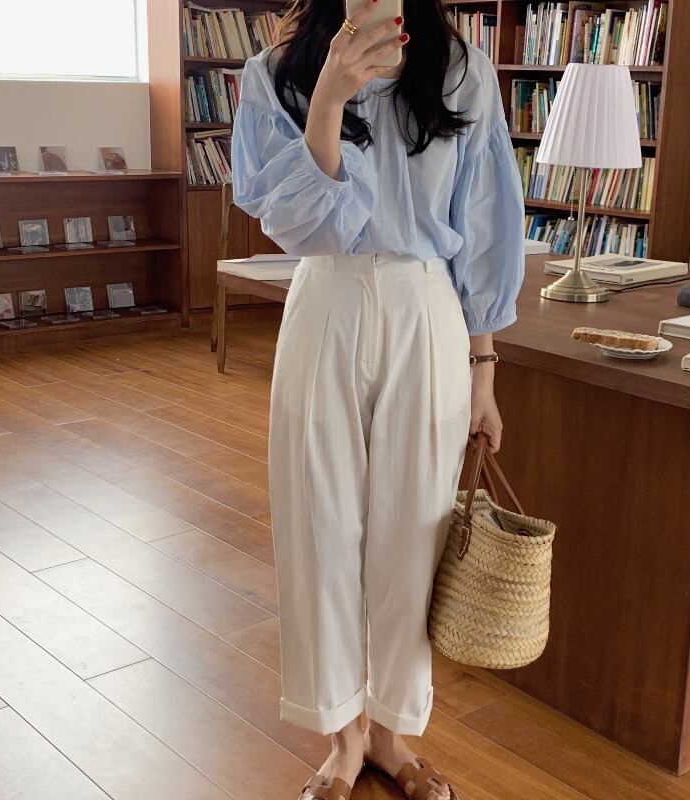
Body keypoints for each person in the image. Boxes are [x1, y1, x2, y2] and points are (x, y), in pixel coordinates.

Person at [232, 1, 525, 797]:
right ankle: (343, 736)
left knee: (415, 533)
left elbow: (487, 226)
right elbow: (294, 225)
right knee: (316, 525)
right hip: (325, 296)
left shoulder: (461, 71)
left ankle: (393, 733)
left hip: (427, 306)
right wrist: (328, 97)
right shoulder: (275, 75)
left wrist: (484, 370)